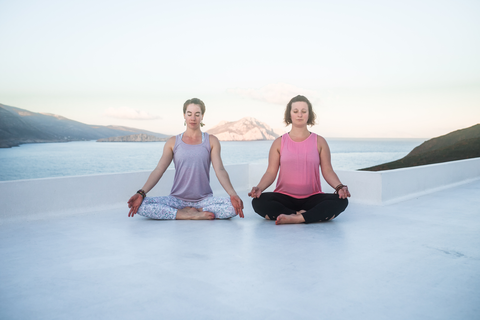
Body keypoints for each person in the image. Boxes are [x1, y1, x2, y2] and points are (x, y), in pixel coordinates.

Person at [128, 98, 244, 220]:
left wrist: (233, 194)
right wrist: (141, 193)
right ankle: (184, 214)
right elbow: (159, 169)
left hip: (204, 201)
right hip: (177, 200)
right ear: (184, 115)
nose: (193, 118)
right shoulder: (173, 142)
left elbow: (220, 170)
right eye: (189, 114)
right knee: (141, 205)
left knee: (234, 207)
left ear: (202, 116)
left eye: (197, 114)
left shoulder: (211, 141)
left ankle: (194, 211)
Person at [248, 95, 350, 225]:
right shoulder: (279, 142)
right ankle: (307, 215)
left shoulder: (320, 142)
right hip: (284, 197)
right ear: (289, 114)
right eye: (295, 111)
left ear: (309, 114)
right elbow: (270, 172)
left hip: (313, 197)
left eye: (304, 111)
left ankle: (294, 217)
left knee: (342, 201)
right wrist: (259, 188)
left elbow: (328, 171)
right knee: (258, 202)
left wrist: (340, 187)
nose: (300, 115)